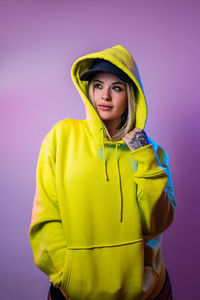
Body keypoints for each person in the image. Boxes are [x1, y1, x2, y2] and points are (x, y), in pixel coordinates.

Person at [29, 45, 176, 300]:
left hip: (144, 294)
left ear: (130, 94)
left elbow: (157, 222)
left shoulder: (152, 153)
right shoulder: (61, 137)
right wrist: (66, 275)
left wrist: (144, 156)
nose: (104, 96)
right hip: (75, 291)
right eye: (98, 85)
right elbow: (46, 217)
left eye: (116, 88)